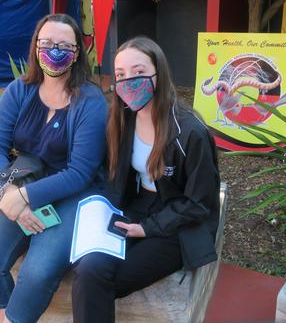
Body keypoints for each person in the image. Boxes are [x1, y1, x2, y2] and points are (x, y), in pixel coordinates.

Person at [72, 36, 221, 323]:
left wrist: (147, 228)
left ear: (159, 72)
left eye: (139, 73)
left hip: (180, 222)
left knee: (101, 283)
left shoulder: (190, 132)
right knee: (89, 268)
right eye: (120, 75)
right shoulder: (123, 118)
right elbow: (115, 177)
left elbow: (199, 205)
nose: (129, 82)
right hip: (140, 206)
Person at [0, 13, 108, 323]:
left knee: (38, 271)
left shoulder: (91, 101)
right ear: (35, 46)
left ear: (76, 54)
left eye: (64, 45)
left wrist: (26, 197)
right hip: (20, 183)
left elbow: (80, 173)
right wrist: (12, 197)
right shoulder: (20, 90)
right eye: (47, 43)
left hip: (73, 192)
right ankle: (2, 315)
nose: (54, 51)